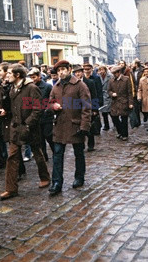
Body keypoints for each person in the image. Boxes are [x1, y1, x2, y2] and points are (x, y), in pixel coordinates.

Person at [0, 64, 50, 200]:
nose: (7, 75)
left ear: (17, 75)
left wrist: (27, 124)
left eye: (9, 73)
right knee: (12, 157)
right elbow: (13, 107)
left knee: (37, 153)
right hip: (15, 128)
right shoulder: (12, 89)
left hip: (29, 128)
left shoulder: (32, 88)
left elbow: (37, 109)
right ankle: (11, 189)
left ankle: (45, 177)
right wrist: (6, 111)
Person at [48, 60, 91, 196]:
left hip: (75, 125)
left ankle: (79, 177)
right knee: (57, 155)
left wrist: (84, 126)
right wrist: (53, 106)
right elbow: (50, 102)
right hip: (60, 126)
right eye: (58, 70)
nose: (61, 72)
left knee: (79, 153)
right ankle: (56, 182)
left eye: (63, 69)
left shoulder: (80, 85)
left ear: (69, 69)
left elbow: (86, 107)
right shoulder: (56, 86)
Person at [28, 68, 54, 161]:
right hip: (36, 117)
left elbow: (52, 99)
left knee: (48, 135)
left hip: (46, 116)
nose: (32, 79)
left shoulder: (47, 86)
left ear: (39, 76)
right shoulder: (29, 87)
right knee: (40, 138)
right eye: (30, 77)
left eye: (34, 77)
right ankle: (44, 157)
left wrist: (48, 109)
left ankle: (56, 153)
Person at [73, 64, 98, 151]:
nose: (77, 74)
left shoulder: (89, 82)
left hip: (88, 107)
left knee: (89, 127)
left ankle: (91, 145)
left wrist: (95, 109)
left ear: (82, 73)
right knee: (79, 127)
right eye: (75, 73)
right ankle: (81, 144)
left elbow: (94, 96)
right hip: (77, 108)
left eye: (79, 72)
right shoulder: (73, 84)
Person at [108, 65, 134, 140]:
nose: (114, 75)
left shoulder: (126, 79)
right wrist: (112, 94)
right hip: (115, 102)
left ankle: (125, 134)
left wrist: (130, 103)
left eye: (115, 73)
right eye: (113, 73)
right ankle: (120, 132)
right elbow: (108, 90)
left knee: (124, 119)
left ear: (119, 72)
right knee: (114, 118)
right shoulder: (111, 80)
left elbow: (130, 92)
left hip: (124, 101)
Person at [98, 65, 113, 130]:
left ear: (105, 70)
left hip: (108, 95)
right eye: (100, 70)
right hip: (101, 96)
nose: (101, 71)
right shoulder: (98, 77)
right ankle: (106, 126)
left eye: (102, 70)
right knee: (104, 113)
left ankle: (115, 123)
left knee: (110, 112)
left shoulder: (110, 76)